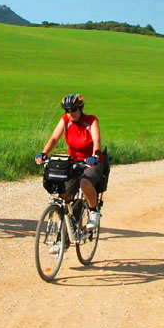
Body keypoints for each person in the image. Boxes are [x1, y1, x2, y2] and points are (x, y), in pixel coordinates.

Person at [35, 93, 103, 230]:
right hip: (73, 161)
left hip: (91, 161)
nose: (70, 113)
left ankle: (93, 211)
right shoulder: (65, 120)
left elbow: (97, 142)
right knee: (62, 189)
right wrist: (43, 153)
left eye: (73, 110)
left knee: (85, 181)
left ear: (80, 109)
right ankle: (65, 233)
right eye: (67, 110)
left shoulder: (91, 121)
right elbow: (54, 138)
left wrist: (95, 155)